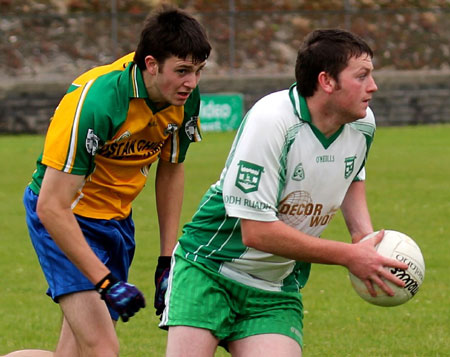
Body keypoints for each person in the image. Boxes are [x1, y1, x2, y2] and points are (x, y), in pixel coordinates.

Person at [161, 28, 409, 357]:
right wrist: (349, 257)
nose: (373, 86)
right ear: (327, 81)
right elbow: (257, 233)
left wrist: (363, 239)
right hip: (210, 268)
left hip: (275, 288)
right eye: (362, 76)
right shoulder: (272, 120)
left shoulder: (362, 124)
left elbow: (351, 175)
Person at [5, 5, 211, 357]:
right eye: (182, 71)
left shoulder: (183, 99)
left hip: (115, 223)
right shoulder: (98, 102)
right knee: (102, 347)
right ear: (150, 64)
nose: (191, 82)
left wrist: (166, 261)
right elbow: (51, 206)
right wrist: (106, 281)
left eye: (198, 71)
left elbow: (172, 168)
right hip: (64, 218)